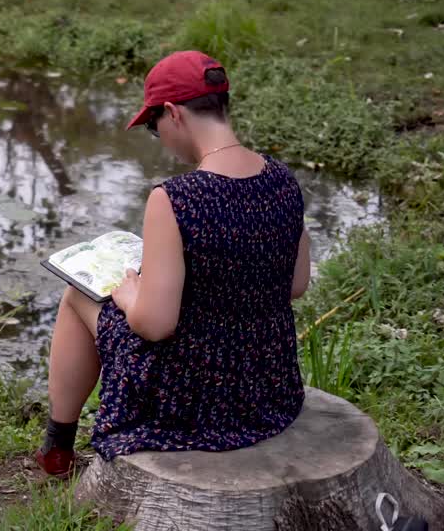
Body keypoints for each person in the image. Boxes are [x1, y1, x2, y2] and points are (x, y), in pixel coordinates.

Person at [35, 50, 311, 478]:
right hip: (268, 389)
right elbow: (296, 284)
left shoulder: (176, 198)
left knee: (76, 295)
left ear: (172, 113)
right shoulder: (283, 180)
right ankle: (57, 448)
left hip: (188, 400)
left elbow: (155, 325)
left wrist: (130, 296)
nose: (157, 135)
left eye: (152, 125)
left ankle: (57, 449)